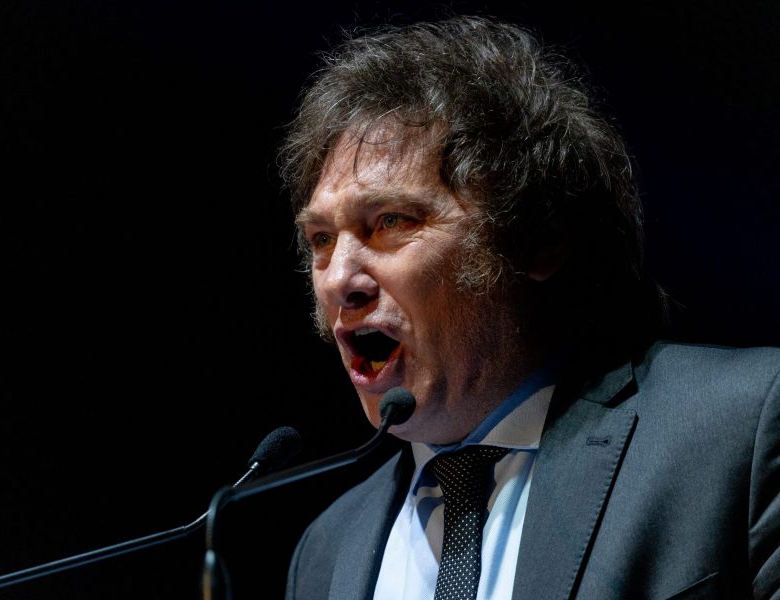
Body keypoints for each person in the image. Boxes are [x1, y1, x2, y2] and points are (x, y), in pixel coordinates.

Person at [276, 15, 780, 599]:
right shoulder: (323, 549)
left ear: (534, 238)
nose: (339, 278)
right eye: (321, 239)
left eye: (392, 221)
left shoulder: (740, 428)